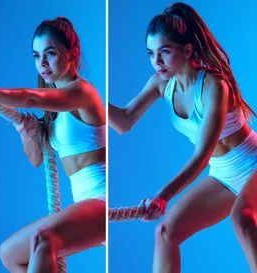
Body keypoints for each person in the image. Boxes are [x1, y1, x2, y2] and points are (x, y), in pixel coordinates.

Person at [109, 3, 257, 272]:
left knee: (242, 218)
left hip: (253, 164)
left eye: (164, 52)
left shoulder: (215, 86)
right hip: (224, 175)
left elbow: (202, 155)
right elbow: (124, 121)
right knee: (166, 231)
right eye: (151, 53)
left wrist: (163, 195)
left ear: (187, 50)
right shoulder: (162, 83)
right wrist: (88, 103)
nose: (157, 61)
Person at [0, 16, 106, 273]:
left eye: (50, 53)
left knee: (43, 239)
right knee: (9, 254)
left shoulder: (83, 93)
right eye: (37, 56)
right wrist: (25, 132)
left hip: (102, 200)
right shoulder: (55, 112)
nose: (43, 63)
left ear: (72, 53)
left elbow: (30, 99)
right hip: (84, 203)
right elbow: (36, 158)